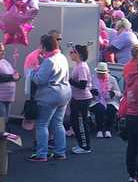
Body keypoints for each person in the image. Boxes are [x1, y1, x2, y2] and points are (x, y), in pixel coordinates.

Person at [29, 34, 72, 162]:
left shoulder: (49, 61)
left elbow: (39, 80)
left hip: (50, 95)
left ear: (45, 46)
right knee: (58, 123)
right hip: (64, 93)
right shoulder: (61, 57)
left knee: (42, 124)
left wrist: (32, 72)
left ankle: (41, 154)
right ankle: (60, 152)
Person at [68, 45, 93, 154]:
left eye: (73, 52)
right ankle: (81, 144)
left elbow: (83, 84)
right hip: (77, 98)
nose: (70, 54)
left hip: (82, 99)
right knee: (75, 122)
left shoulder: (82, 66)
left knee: (81, 123)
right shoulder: (78, 65)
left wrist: (69, 80)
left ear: (78, 54)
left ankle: (85, 146)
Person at [90, 62, 122, 138]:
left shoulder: (112, 79)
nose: (101, 75)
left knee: (111, 108)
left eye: (103, 73)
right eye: (99, 73)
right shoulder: (92, 78)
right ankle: (99, 130)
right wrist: (92, 92)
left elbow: (119, 93)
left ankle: (108, 130)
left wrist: (113, 93)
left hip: (109, 100)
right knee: (100, 108)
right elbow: (87, 91)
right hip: (95, 100)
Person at [0, 42, 20, 122]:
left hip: (8, 97)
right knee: (1, 120)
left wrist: (17, 76)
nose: (3, 52)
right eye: (0, 50)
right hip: (1, 98)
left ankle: (3, 132)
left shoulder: (5, 62)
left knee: (5, 120)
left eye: (3, 50)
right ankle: (1, 133)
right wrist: (12, 77)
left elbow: (13, 74)